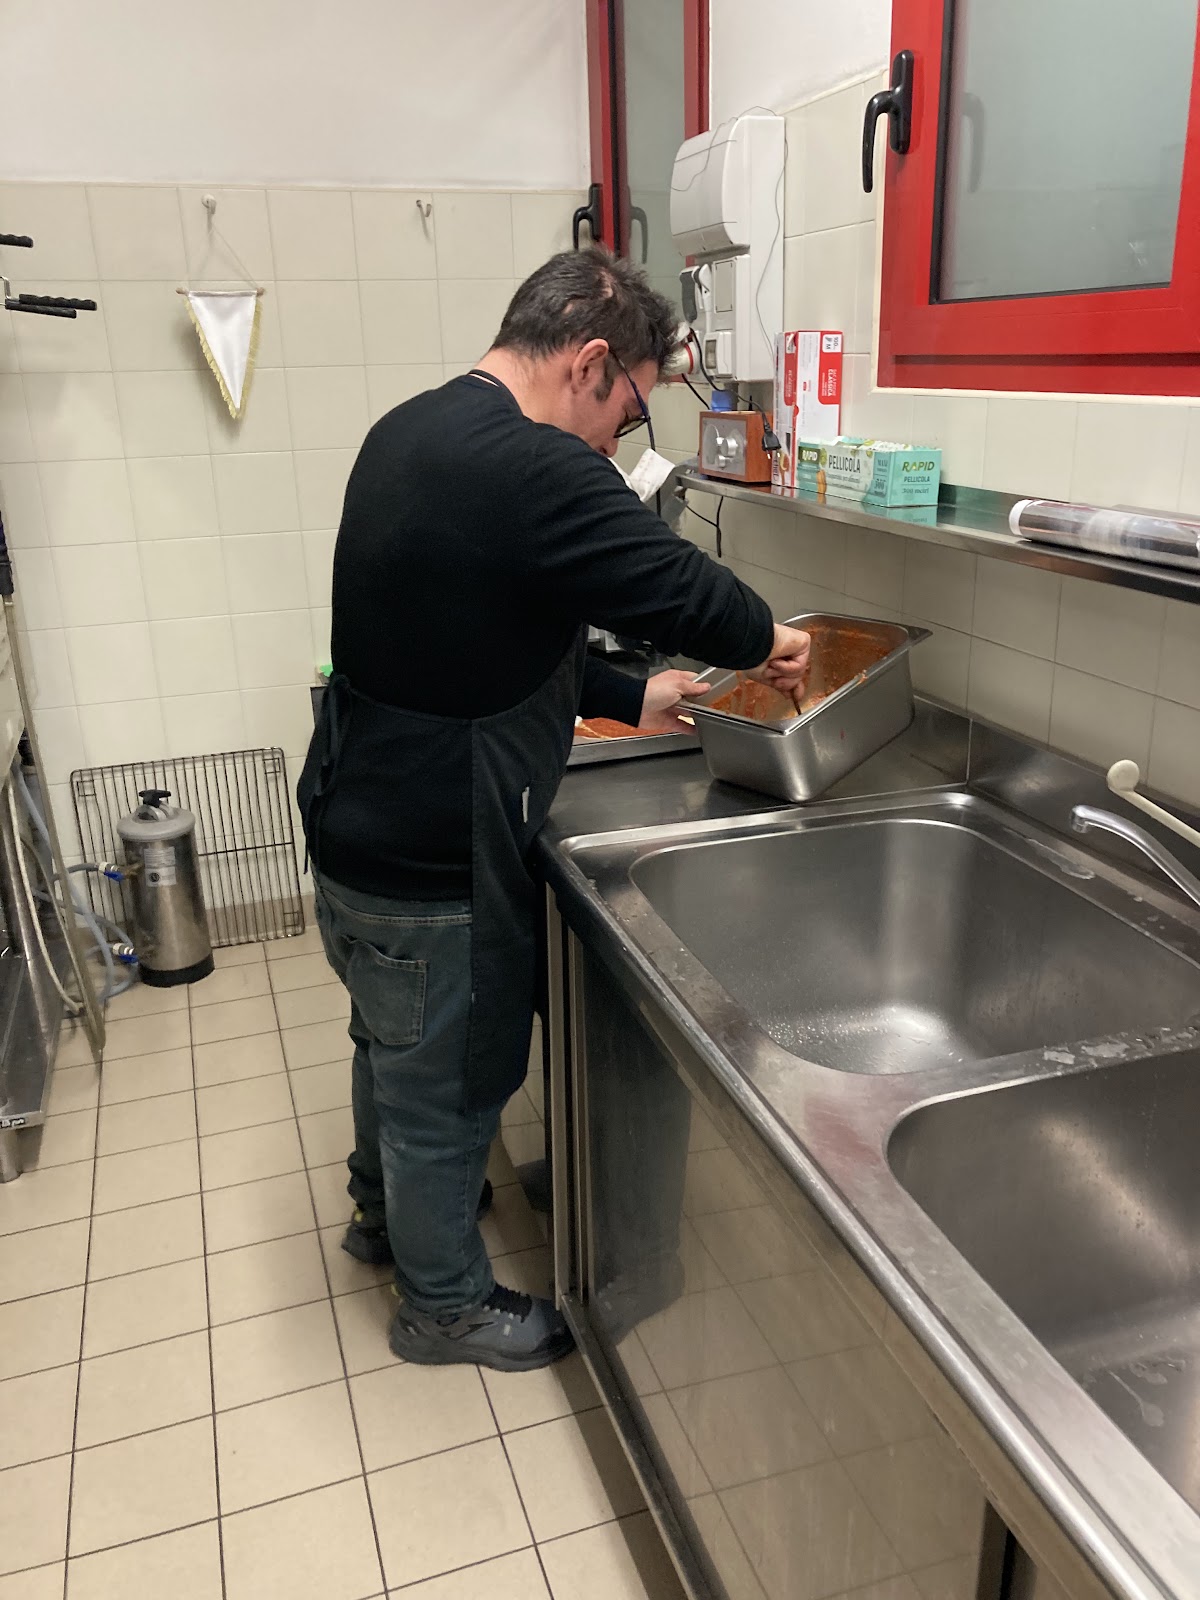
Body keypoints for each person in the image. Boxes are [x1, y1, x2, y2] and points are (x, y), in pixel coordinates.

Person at [297, 248, 810, 1373]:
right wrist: (768, 638)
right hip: (434, 856)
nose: (620, 440)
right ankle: (442, 1307)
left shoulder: (414, 430)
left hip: (356, 822)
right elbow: (677, 586)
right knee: (447, 1086)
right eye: (630, 413)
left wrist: (632, 693)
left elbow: (484, 637)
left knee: (390, 1047)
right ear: (590, 363)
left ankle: (384, 1215)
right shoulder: (532, 464)